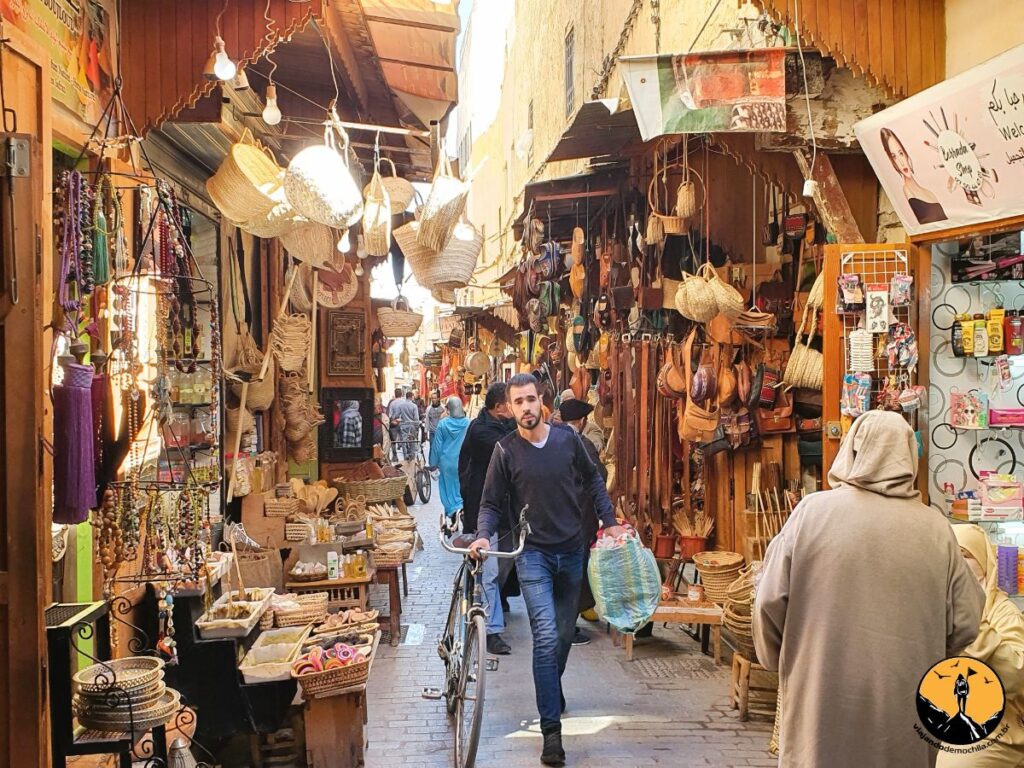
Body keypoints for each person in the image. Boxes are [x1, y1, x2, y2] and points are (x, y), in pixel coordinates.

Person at [753, 411, 984, 768]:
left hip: (820, 697)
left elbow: (769, 601)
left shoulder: (811, 514)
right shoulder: (935, 529)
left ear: (852, 451)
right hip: (904, 706)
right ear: (908, 457)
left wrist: (784, 662)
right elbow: (967, 621)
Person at [470, 373, 625, 767]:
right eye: (517, 402)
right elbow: (489, 504)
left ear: (542, 402)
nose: (525, 408)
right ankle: (551, 733)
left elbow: (594, 480)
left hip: (572, 551)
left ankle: (550, 690)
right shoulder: (504, 452)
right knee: (543, 636)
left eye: (530, 400)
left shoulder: (567, 441)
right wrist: (485, 536)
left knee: (561, 637)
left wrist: (609, 522)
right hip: (532, 554)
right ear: (510, 407)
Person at [936, 524, 1024, 767]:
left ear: (984, 562)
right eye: (951, 555)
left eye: (964, 555)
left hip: (999, 728)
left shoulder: (1003, 612)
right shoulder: (936, 606)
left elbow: (1018, 676)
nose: (957, 563)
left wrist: (971, 629)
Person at [458, 381, 517, 655]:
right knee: (491, 571)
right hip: (486, 510)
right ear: (499, 407)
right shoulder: (482, 431)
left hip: (510, 511)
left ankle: (491, 602)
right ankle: (492, 631)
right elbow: (507, 446)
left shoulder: (501, 427)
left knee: (504, 565)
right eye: (513, 403)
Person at [556, 394, 606, 647]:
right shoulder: (581, 443)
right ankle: (567, 628)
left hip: (559, 516)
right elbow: (599, 475)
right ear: (583, 420)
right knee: (573, 572)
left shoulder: (552, 439)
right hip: (579, 514)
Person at [880, 126, 948, 225]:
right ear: (891, 160)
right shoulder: (908, 192)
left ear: (906, 154)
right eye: (894, 157)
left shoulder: (929, 192)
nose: (901, 162)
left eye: (901, 153)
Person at [429, 396, 470, 518]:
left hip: (447, 464)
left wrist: (433, 464)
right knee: (461, 489)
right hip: (464, 463)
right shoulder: (469, 423)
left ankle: (453, 513)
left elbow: (436, 447)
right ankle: (461, 510)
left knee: (448, 490)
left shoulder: (443, 424)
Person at [388, 389, 421, 460]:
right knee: (412, 440)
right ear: (411, 397)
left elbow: (396, 415)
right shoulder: (414, 406)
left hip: (403, 425)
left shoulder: (401, 405)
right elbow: (416, 418)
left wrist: (395, 419)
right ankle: (412, 456)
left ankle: (405, 456)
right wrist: (417, 427)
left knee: (404, 441)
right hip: (411, 425)